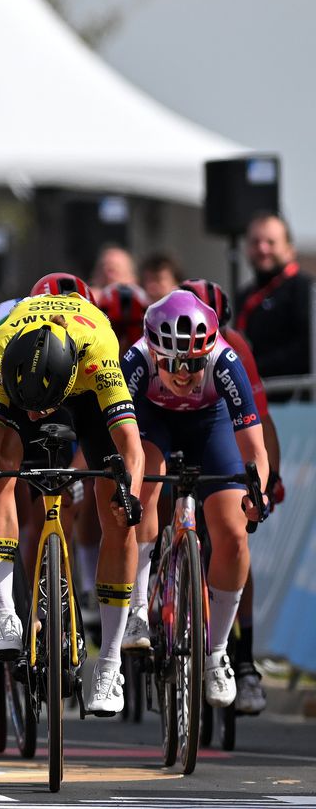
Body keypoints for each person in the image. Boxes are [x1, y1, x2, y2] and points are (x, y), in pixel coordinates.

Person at [0, 286, 144, 715]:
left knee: (118, 511)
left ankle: (110, 662)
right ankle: (5, 613)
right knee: (1, 465)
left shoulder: (100, 350)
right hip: (24, 373)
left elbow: (132, 448)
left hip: (80, 392)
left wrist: (130, 494)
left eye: (37, 409)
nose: (33, 418)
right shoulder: (0, 345)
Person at [121, 290, 268, 707]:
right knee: (143, 491)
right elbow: (120, 438)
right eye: (170, 364)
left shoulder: (225, 361)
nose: (183, 375)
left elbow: (254, 448)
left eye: (192, 364)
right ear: (154, 353)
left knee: (234, 533)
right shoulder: (135, 361)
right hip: (153, 421)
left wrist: (256, 492)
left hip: (210, 424)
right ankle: (136, 610)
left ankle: (217, 652)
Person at [180, 278, 282, 713]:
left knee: (234, 533)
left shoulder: (233, 346)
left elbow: (258, 419)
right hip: (172, 430)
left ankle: (242, 659)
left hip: (221, 430)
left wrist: (265, 478)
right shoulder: (153, 340)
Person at [237, 211, 314, 401]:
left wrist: (256, 369)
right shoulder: (245, 295)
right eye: (256, 242)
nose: (263, 249)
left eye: (271, 242)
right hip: (254, 403)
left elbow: (306, 349)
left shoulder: (305, 289)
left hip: (296, 404)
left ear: (289, 248)